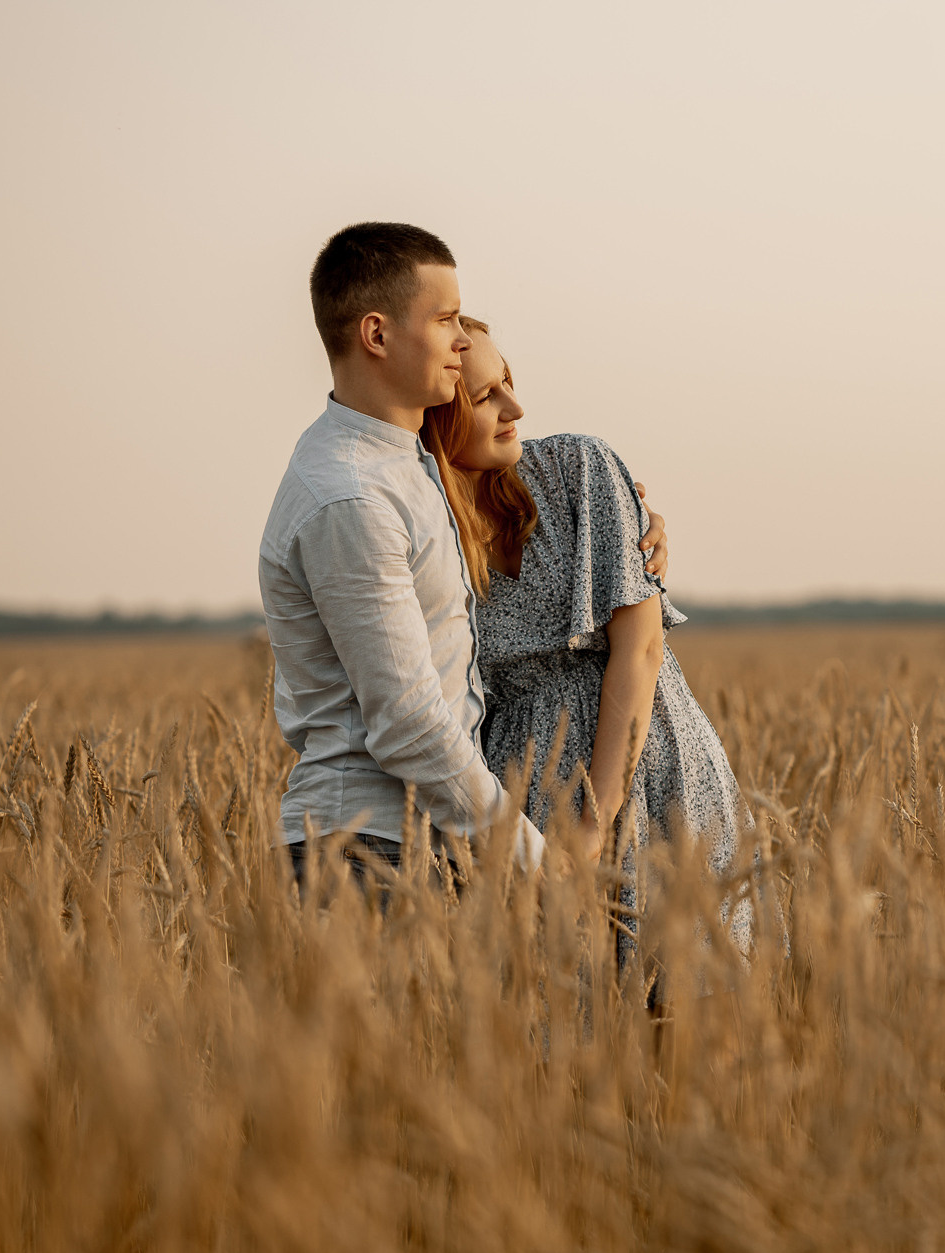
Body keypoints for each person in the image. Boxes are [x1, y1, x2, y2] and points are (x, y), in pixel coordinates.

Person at [257, 223, 668, 886]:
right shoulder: (354, 496)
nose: (459, 338)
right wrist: (540, 863)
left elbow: (491, 479)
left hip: (416, 845)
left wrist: (624, 511)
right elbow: (409, 725)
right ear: (377, 335)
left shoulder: (401, 467)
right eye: (445, 318)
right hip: (370, 853)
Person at [417, 319, 752, 957]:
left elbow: (642, 649)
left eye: (509, 382)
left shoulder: (578, 466)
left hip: (652, 768)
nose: (516, 408)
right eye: (485, 397)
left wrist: (597, 811)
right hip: (519, 794)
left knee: (688, 1013)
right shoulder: (421, 525)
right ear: (436, 417)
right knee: (565, 1031)